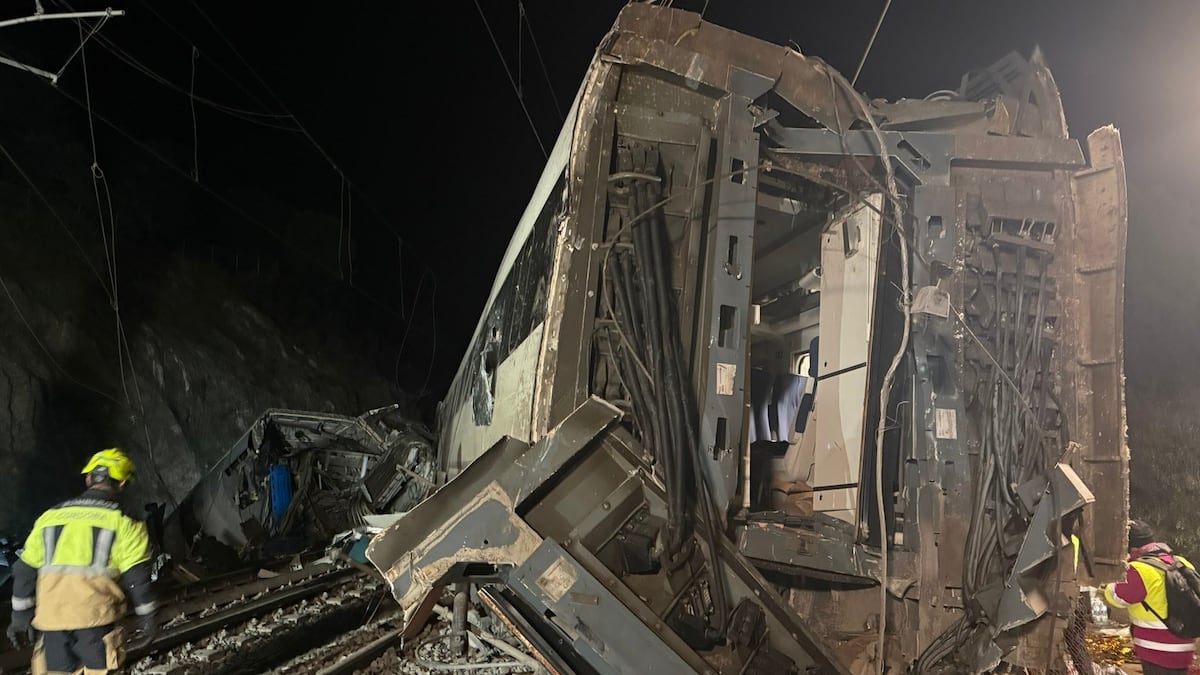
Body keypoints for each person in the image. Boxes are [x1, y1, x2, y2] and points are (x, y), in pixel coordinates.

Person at [6, 448, 158, 675]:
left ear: (88, 479)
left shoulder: (50, 517)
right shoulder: (126, 523)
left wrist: (20, 616)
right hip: (96, 620)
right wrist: (148, 616)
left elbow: (24, 570)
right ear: (123, 483)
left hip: (52, 620)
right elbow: (138, 577)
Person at [1101, 519, 1196, 674]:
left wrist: (1118, 571)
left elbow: (1115, 597)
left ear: (1130, 548)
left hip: (1158, 651)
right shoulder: (1181, 562)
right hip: (1185, 645)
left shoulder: (1139, 569)